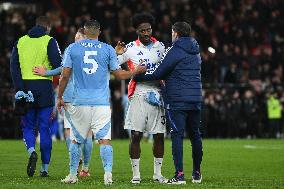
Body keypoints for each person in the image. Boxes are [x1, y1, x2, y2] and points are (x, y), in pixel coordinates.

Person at [56, 19, 146, 185]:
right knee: (104, 140)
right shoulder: (107, 49)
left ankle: (72, 175)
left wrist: (60, 97)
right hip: (101, 103)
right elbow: (119, 75)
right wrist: (135, 71)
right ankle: (108, 174)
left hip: (79, 102)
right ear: (99, 32)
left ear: (84, 31)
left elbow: (65, 75)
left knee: (76, 140)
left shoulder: (72, 48)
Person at [134, 21, 203, 184]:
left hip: (178, 100)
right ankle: (197, 173)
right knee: (195, 136)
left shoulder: (176, 50)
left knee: (177, 136)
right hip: (195, 98)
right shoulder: (196, 50)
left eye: (172, 32)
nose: (171, 35)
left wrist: (138, 76)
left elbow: (159, 73)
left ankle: (179, 175)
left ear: (176, 33)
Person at [33, 28, 94, 177]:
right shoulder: (96, 51)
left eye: (77, 36)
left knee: (69, 130)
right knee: (87, 132)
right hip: (90, 96)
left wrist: (46, 72)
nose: (75, 38)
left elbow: (64, 71)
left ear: (82, 37)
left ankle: (75, 160)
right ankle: (85, 169)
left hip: (71, 95)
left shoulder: (71, 49)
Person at [115, 13, 167, 184]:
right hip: (138, 92)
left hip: (157, 93)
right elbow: (114, 66)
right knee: (136, 134)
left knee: (159, 135)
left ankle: (157, 173)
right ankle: (135, 174)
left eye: (148, 29)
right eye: (142, 30)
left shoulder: (160, 46)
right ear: (136, 30)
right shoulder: (129, 48)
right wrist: (117, 54)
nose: (146, 32)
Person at [10, 16, 62, 177]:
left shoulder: (20, 41)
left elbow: (14, 67)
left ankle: (32, 151)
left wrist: (19, 89)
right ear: (48, 28)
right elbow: (60, 67)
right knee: (44, 128)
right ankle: (44, 168)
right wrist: (46, 72)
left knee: (27, 126)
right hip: (44, 89)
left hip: (25, 88)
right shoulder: (49, 40)